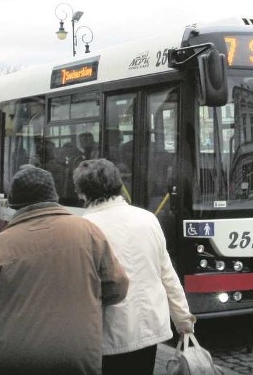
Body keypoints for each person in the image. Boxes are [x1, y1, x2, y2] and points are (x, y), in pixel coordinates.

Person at [0, 165, 129, 375]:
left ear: (14, 202)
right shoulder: (87, 231)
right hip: (79, 356)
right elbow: (118, 286)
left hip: (19, 360)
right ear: (55, 195)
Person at [74, 158, 196, 375]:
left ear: (82, 192)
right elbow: (167, 274)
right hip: (149, 326)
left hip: (109, 332)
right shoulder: (147, 219)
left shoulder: (84, 227)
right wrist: (183, 320)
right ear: (119, 185)